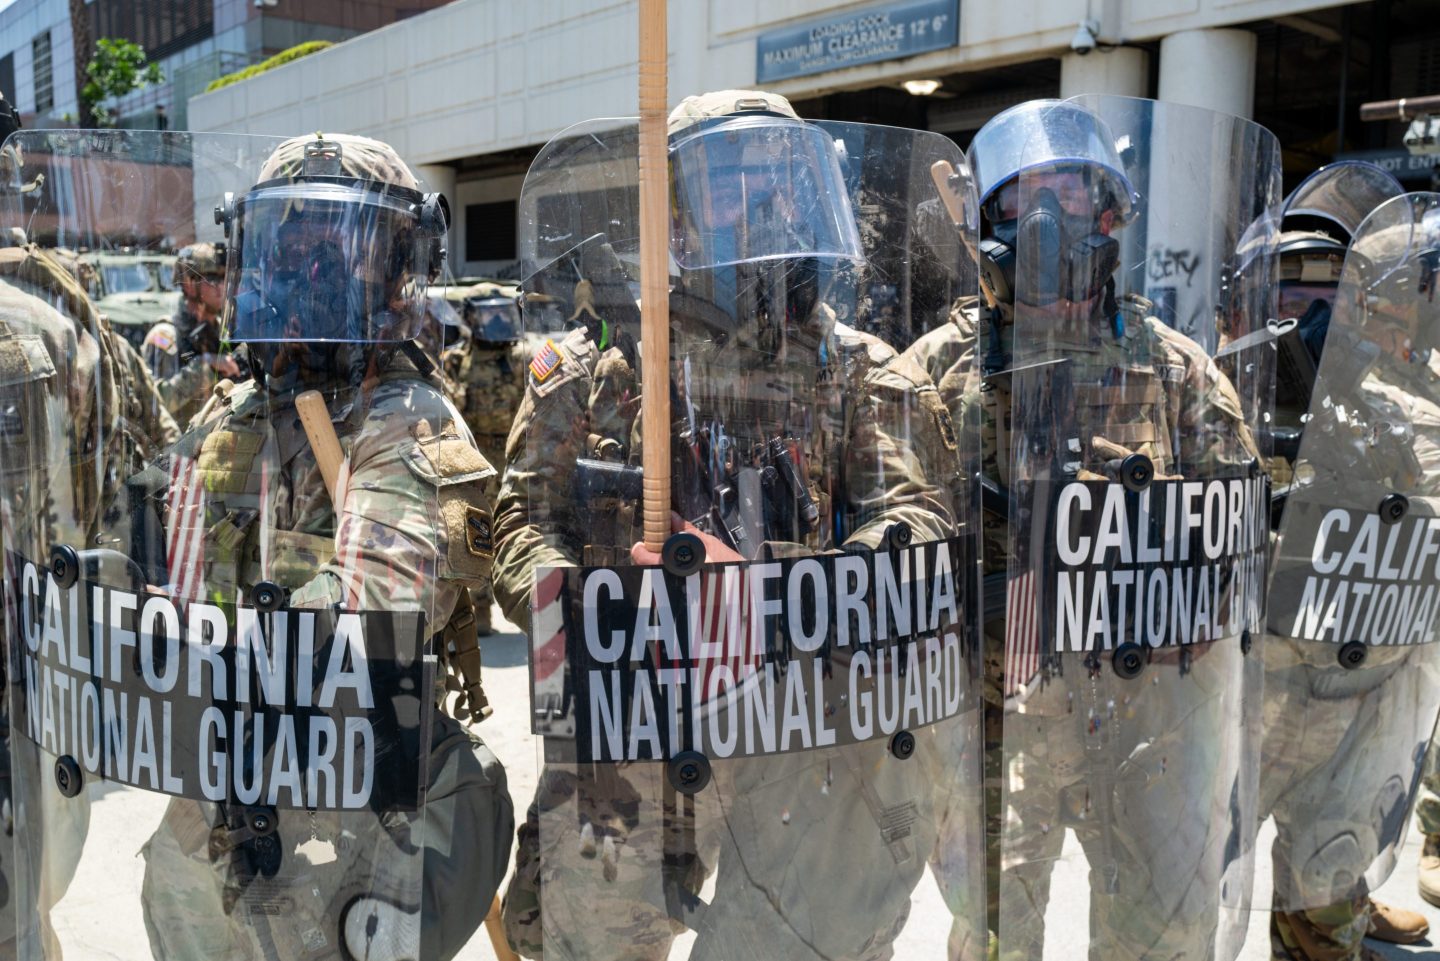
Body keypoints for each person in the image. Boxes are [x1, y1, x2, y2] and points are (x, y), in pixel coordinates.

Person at [494, 89, 974, 961]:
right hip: (633, 718)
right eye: (727, 180)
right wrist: (557, 587)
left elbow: (915, 521)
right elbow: (524, 517)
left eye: (779, 177)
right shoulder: (594, 375)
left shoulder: (865, 372)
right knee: (579, 938)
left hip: (804, 720)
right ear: (671, 216)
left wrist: (770, 592)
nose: (761, 200)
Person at [131, 132, 514, 961]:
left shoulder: (406, 420)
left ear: (396, 268)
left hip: (353, 783)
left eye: (336, 248)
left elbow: (375, 607)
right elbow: (172, 562)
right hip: (232, 766)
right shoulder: (234, 417)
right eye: (289, 244)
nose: (308, 274)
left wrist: (215, 646)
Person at [906, 97, 1270, 961]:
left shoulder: (1175, 370)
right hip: (993, 721)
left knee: (1163, 932)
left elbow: (1247, 537)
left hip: (1147, 717)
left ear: (1109, 214)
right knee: (992, 932)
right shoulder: (936, 370)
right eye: (1023, 193)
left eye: (1070, 190)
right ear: (986, 218)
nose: (1046, 214)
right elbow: (885, 534)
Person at [1260, 179, 1440, 961]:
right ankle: (1321, 918)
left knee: (1353, 804)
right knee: (1322, 812)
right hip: (1319, 640)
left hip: (1394, 637)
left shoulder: (1415, 385)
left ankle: (1337, 903)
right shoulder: (1329, 389)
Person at [445, 282, 528, 634]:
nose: (495, 319)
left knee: (517, 528)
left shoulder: (522, 357)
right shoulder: (455, 360)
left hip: (514, 456)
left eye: (501, 312)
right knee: (475, 533)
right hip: (473, 458)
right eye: (487, 312)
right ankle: (478, 612)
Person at [142, 240, 243, 428]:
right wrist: (203, 366)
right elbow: (155, 403)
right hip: (182, 450)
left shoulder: (223, 331)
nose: (222, 287)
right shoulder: (166, 336)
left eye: (225, 278)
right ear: (189, 283)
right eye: (212, 279)